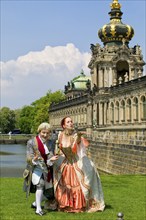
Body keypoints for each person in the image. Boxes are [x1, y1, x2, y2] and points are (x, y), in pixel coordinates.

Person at [53, 116, 105, 213]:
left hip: (75, 161)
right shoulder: (60, 135)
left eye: (71, 121)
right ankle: (64, 205)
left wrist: (79, 138)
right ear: (63, 125)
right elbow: (59, 149)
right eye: (68, 122)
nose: (71, 123)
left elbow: (77, 149)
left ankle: (77, 206)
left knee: (78, 182)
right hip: (65, 162)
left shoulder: (76, 135)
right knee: (63, 182)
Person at [26, 122, 58, 216]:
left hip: (48, 168)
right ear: (39, 131)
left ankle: (36, 203)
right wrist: (33, 159)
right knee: (40, 184)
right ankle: (38, 209)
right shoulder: (31, 142)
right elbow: (28, 158)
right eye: (43, 132)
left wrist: (51, 159)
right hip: (36, 167)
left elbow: (51, 154)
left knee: (50, 192)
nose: (45, 135)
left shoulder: (51, 142)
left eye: (47, 133)